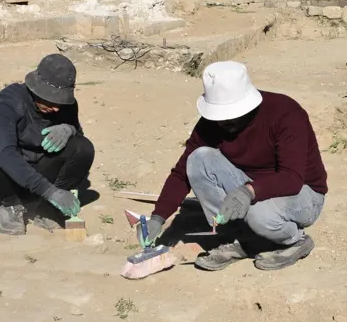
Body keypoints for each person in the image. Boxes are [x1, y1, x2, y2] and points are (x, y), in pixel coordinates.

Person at [140, 61, 327, 271]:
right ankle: (238, 238)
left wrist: (249, 191)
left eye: (231, 117)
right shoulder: (210, 124)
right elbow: (181, 173)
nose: (223, 123)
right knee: (198, 158)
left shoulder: (285, 113)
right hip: (249, 185)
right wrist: (158, 217)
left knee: (259, 215)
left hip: (303, 193)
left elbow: (291, 178)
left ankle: (295, 241)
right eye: (220, 117)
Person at [0, 54, 94, 235]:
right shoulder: (7, 102)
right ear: (35, 88)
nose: (56, 108)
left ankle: (46, 208)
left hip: (34, 179)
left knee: (82, 148)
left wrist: (69, 129)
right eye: (51, 100)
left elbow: (78, 140)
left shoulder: (65, 106)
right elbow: (6, 154)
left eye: (61, 101)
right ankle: (10, 206)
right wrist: (50, 191)